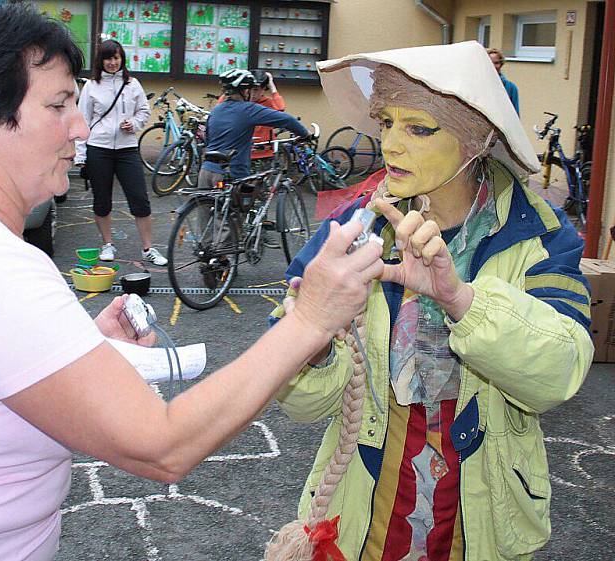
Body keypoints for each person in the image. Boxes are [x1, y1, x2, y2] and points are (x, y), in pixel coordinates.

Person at [0, 5, 385, 560]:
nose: (81, 125)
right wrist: (310, 319)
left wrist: (81, 344)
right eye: (60, 105)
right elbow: (163, 446)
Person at [268, 41, 593, 560]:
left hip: (481, 511)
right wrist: (311, 343)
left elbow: (560, 373)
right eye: (387, 122)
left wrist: (460, 299)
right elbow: (307, 404)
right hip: (368, 504)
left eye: (419, 128)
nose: (391, 146)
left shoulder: (539, 237)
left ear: (476, 138)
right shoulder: (351, 231)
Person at [76, 39, 165, 265]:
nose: (113, 62)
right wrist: (80, 155)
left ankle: (148, 248)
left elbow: (144, 111)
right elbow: (82, 121)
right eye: (108, 58)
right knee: (102, 201)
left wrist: (134, 124)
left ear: (122, 59)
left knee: (140, 200)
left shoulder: (132, 84)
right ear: (101, 61)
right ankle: (107, 244)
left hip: (127, 149)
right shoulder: (91, 86)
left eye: (116, 58)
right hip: (99, 148)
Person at [199, 68, 310, 189]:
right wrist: (306, 134)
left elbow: (208, 139)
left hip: (206, 171)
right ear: (246, 91)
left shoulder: (216, 110)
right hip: (231, 173)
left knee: (208, 206)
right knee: (246, 204)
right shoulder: (249, 109)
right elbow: (287, 120)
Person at [217, 70, 286, 160]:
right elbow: (219, 106)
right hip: (241, 151)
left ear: (264, 89)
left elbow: (280, 109)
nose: (252, 93)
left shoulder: (268, 103)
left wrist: (271, 85)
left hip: (263, 152)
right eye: (250, 89)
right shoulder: (239, 101)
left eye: (256, 90)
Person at [487, 47, 520, 115]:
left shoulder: (511, 88)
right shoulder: (478, 85)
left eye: (496, 63)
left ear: (501, 64)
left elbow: (515, 115)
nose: (493, 66)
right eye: (490, 62)